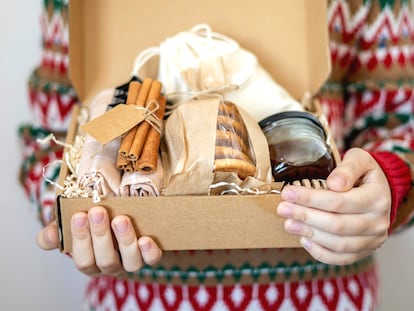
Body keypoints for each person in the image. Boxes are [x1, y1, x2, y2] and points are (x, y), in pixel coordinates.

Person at [21, 0, 414, 309]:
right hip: (139, 297)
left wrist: (391, 181)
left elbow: (400, 122)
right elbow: (48, 140)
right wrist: (72, 214)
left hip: (327, 293)